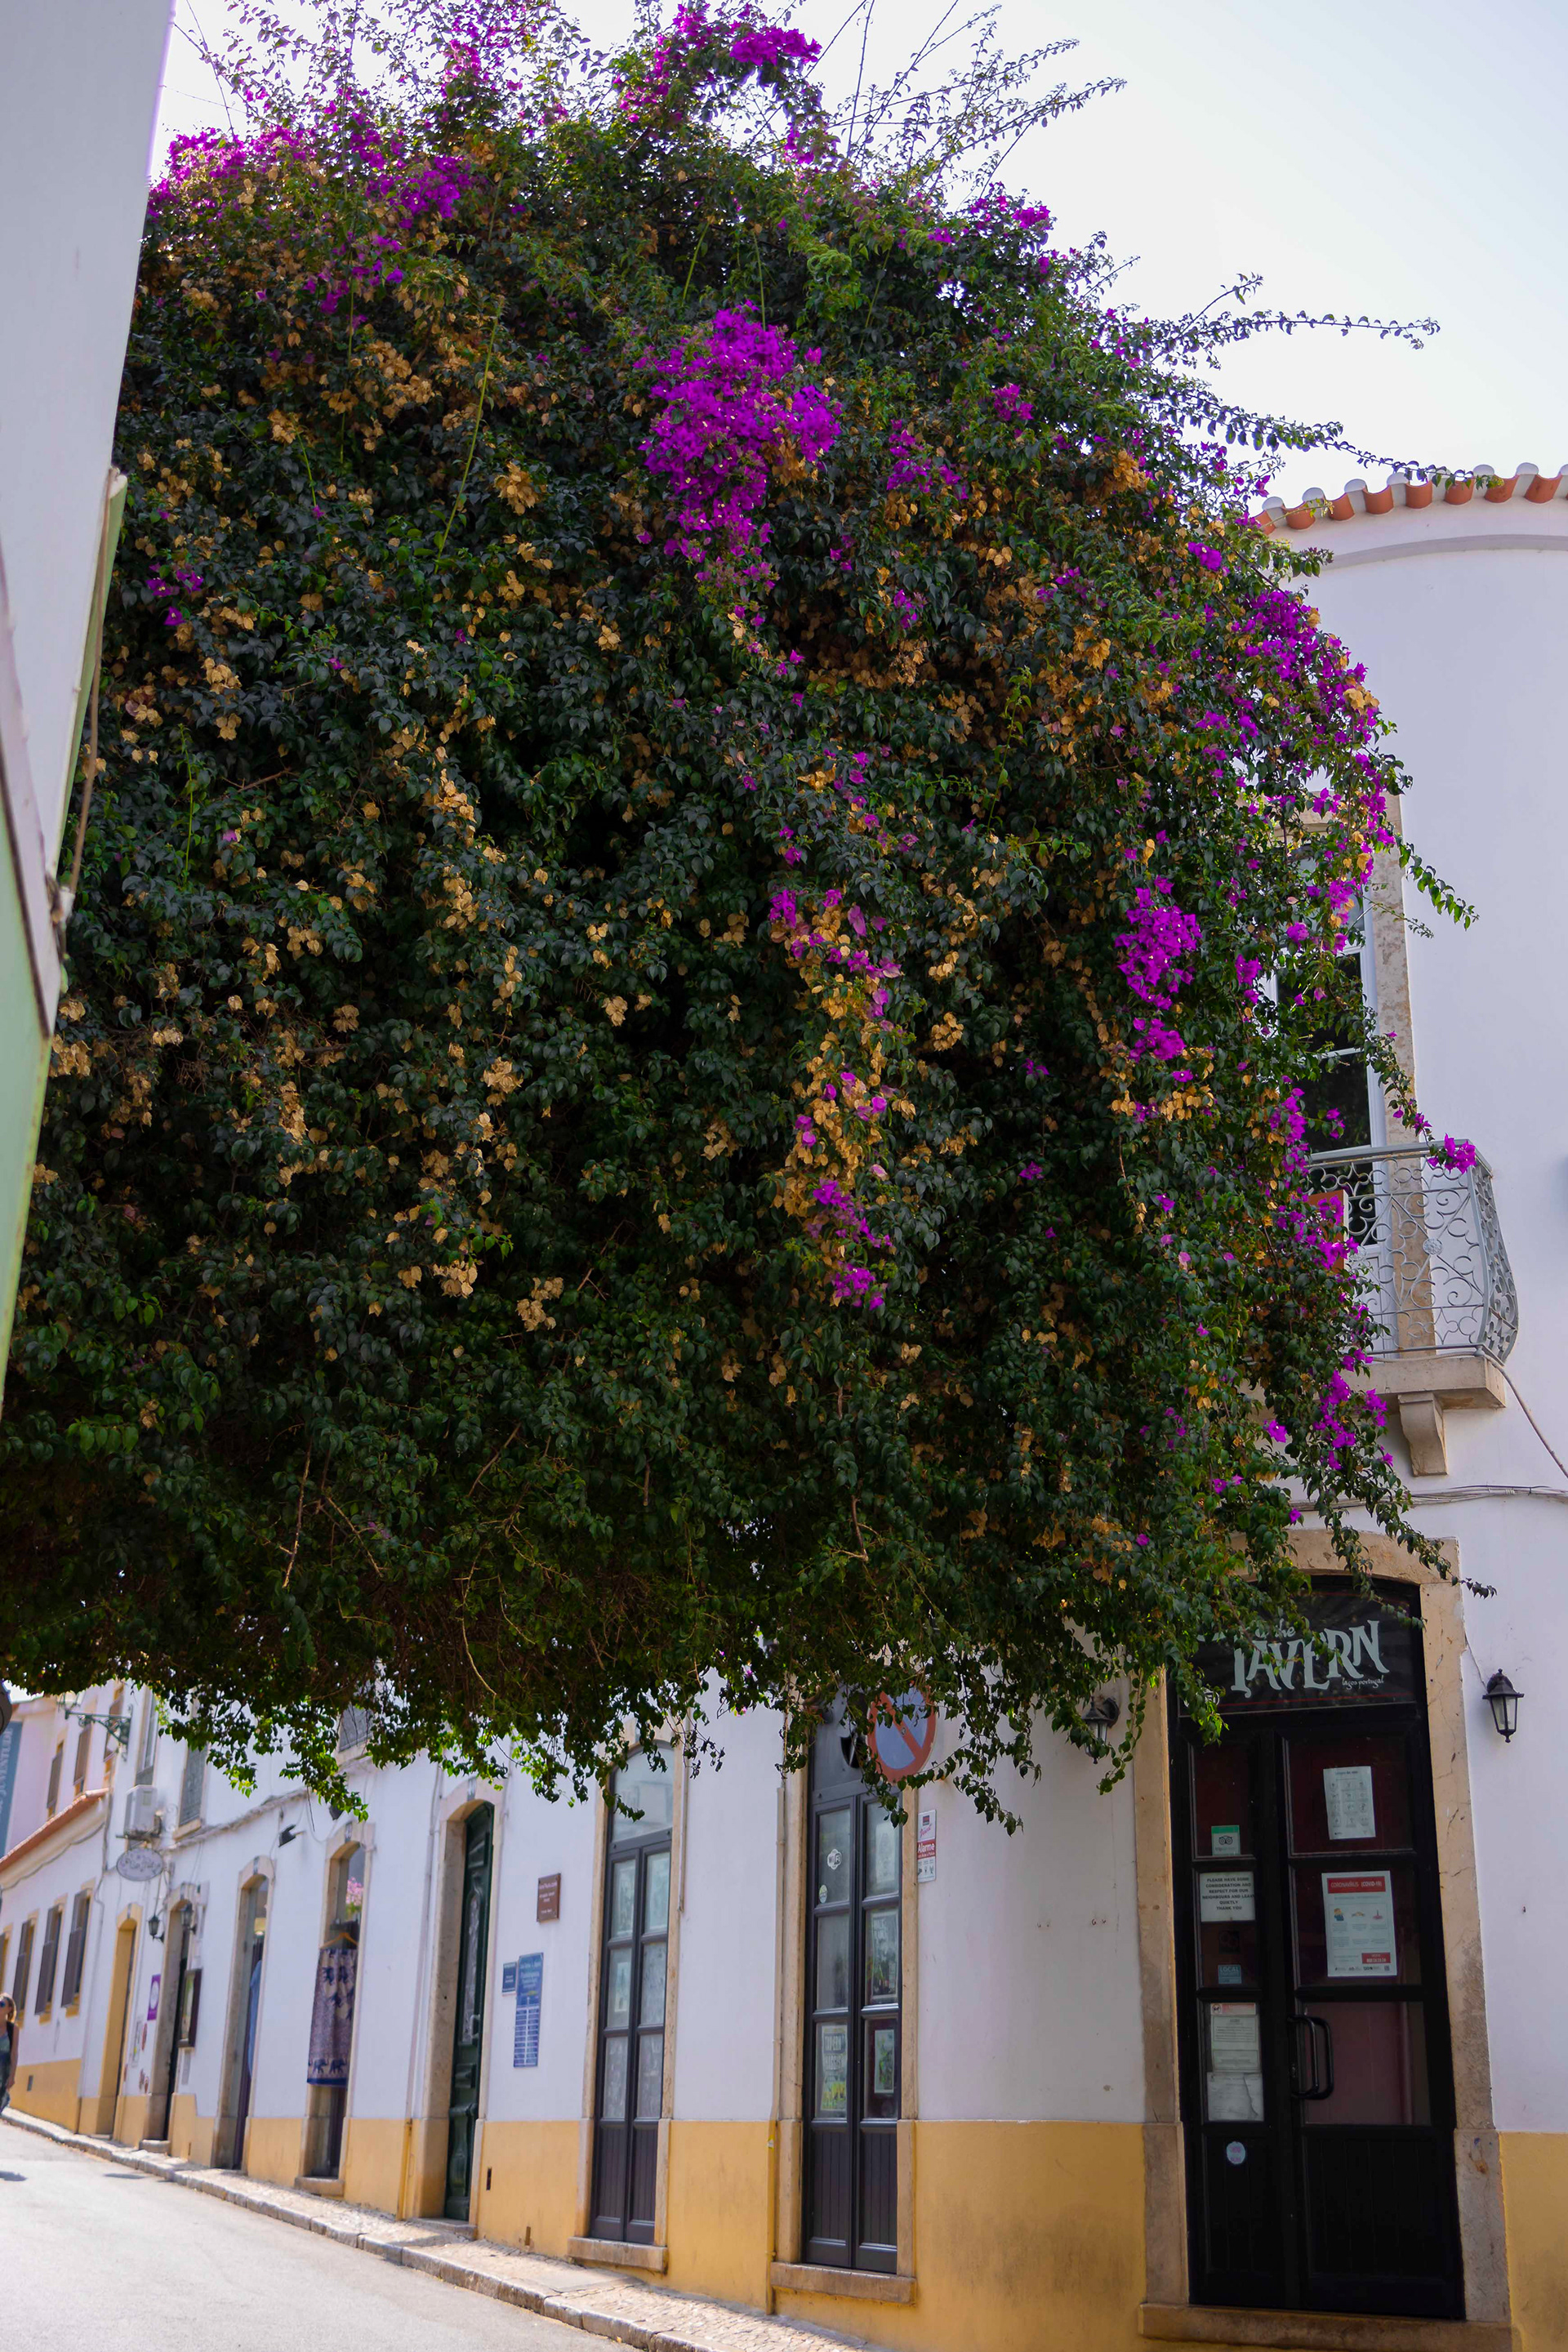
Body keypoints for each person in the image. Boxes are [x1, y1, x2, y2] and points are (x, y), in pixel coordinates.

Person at [0, 1994, 16, 2112]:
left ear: (9, 2009)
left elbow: (14, 2053)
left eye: (2, 2004)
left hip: (3, 2070)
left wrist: (12, 2076)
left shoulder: (13, 2030)